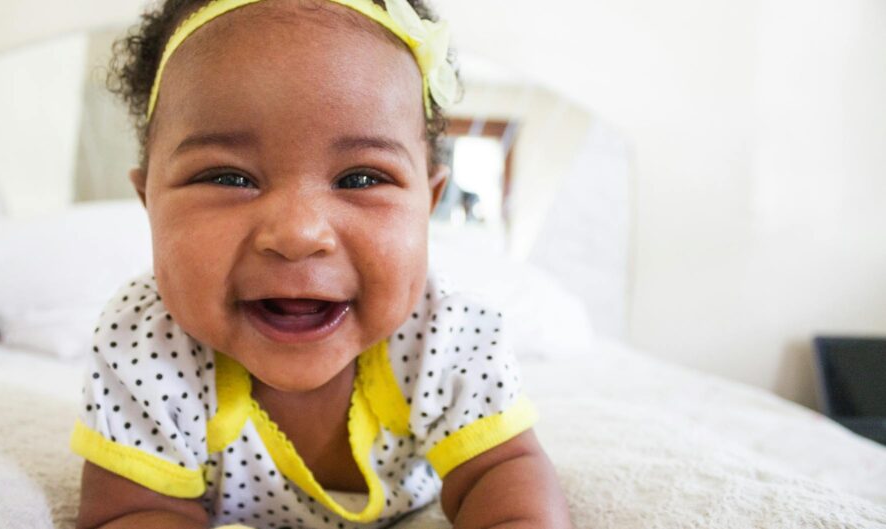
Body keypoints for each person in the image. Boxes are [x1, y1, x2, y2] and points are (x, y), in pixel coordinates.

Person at [70, 0, 572, 527]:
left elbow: (505, 474)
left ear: (428, 202)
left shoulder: (446, 336)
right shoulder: (146, 343)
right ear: (149, 201)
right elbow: (132, 512)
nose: (297, 234)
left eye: (360, 178)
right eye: (227, 177)